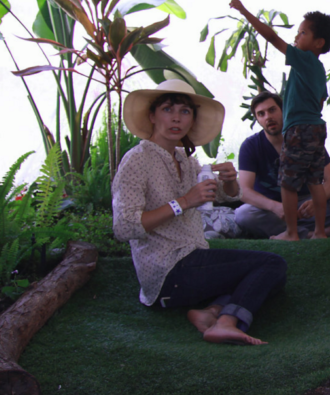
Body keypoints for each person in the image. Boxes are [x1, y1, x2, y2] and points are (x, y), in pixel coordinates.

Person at [112, 79, 288, 346]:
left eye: (185, 111)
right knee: (270, 265)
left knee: (270, 274)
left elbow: (224, 194)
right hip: (169, 271)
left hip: (194, 259)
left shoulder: (185, 159)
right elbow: (125, 228)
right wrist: (182, 202)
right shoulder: (137, 160)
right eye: (168, 109)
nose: (177, 118)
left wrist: (229, 179)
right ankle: (227, 322)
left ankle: (210, 313)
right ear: (152, 115)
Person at [229, 0, 330, 240]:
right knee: (314, 182)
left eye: (302, 33)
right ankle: (319, 232)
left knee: (287, 184)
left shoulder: (304, 60)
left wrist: (245, 11)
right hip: (316, 127)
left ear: (318, 42)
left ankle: (291, 233)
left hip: (299, 129)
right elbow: (321, 101)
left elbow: (270, 36)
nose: (296, 37)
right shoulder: (319, 70)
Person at [235, 91, 330, 239]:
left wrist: (315, 202)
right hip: (272, 210)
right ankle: (307, 233)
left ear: (283, 111)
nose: (268, 117)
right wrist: (275, 207)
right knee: (243, 215)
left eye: (272, 110)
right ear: (257, 119)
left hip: (305, 205)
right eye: (261, 114)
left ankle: (291, 230)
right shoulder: (250, 146)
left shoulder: (305, 138)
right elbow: (243, 190)